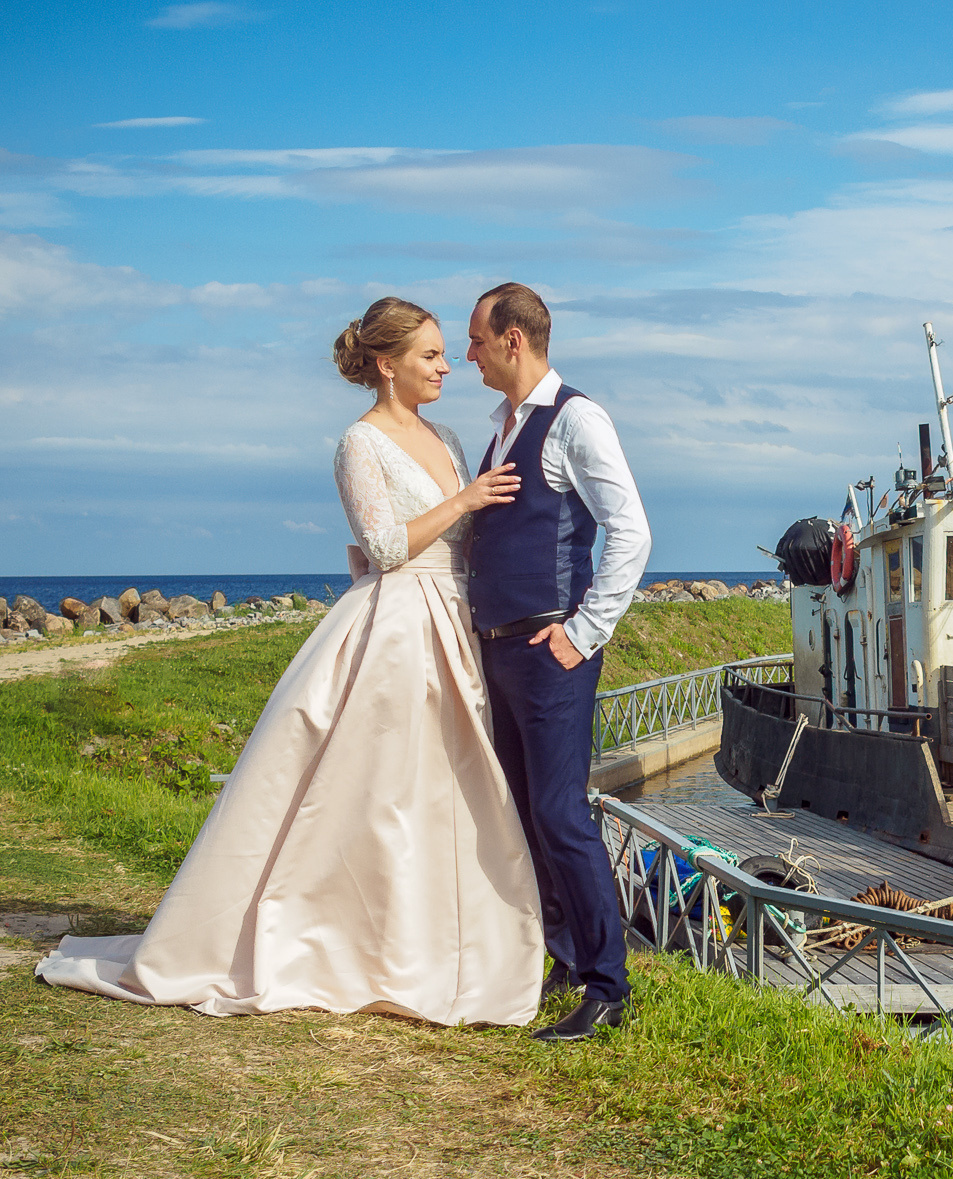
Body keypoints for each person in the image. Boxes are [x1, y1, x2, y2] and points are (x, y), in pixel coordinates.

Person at [35, 297, 546, 1024]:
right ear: (386, 364)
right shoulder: (359, 442)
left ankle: (446, 947)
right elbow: (385, 546)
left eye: (443, 353)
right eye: (430, 355)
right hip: (397, 626)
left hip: (457, 618)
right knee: (386, 793)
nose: (445, 367)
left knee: (451, 790)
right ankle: (350, 945)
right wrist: (464, 501)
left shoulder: (452, 437)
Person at [465, 283, 651, 1043]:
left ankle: (609, 986)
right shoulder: (503, 428)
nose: (468, 354)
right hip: (499, 650)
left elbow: (630, 530)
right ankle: (567, 958)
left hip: (551, 650)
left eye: (477, 339)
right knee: (526, 812)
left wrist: (585, 630)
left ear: (513, 339)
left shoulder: (576, 418)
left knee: (560, 813)